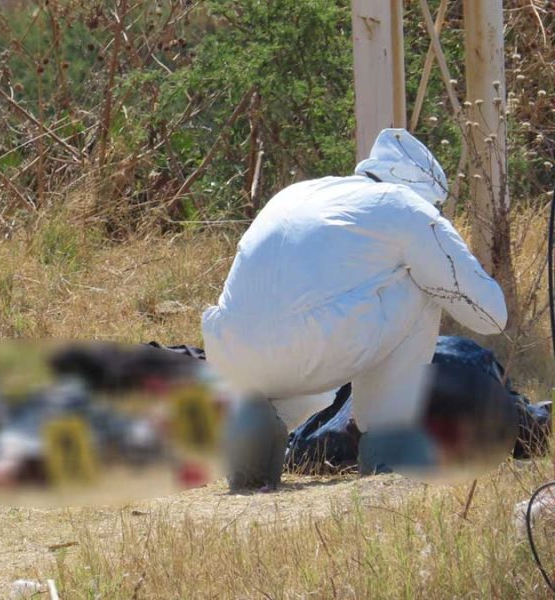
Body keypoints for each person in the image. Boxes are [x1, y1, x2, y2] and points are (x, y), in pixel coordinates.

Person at [204, 128, 508, 488]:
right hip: (311, 349)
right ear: (426, 195)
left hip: (229, 352)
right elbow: (490, 315)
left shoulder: (299, 192)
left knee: (295, 342)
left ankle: (255, 423)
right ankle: (388, 443)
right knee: (425, 280)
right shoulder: (405, 207)